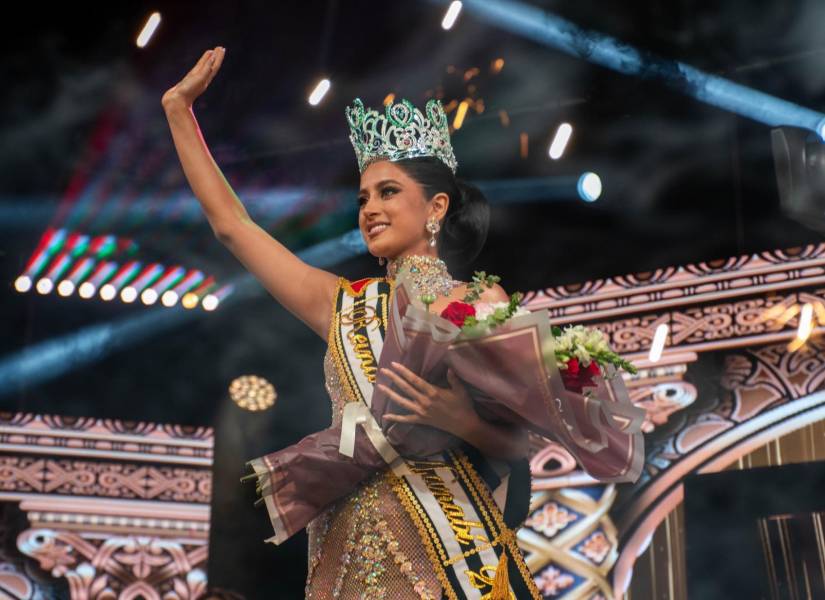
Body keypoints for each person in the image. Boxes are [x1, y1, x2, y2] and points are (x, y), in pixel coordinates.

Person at [163, 46, 541, 599]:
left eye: (389, 192)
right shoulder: (339, 302)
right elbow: (233, 226)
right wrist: (178, 109)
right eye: (363, 196)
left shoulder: (480, 302)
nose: (369, 208)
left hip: (451, 551)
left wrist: (456, 417)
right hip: (346, 553)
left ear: (436, 207)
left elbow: (519, 445)